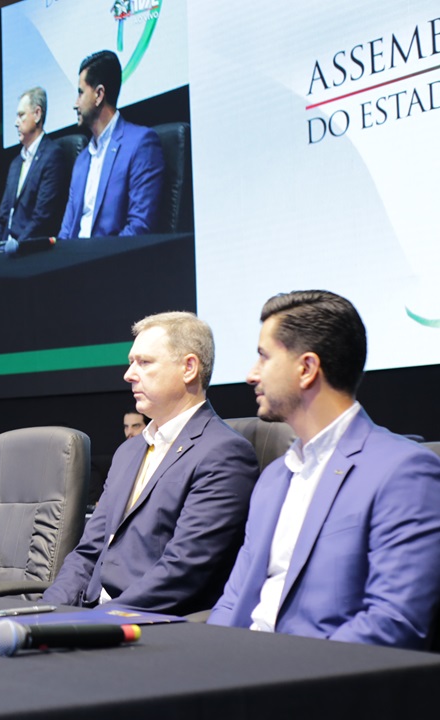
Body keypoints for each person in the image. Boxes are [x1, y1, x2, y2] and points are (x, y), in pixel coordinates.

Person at [208, 291, 440, 648]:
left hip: (317, 685)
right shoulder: (273, 478)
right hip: (238, 675)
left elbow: (395, 621)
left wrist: (277, 678)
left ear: (306, 369)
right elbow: (233, 600)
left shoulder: (404, 472)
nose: (251, 375)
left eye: (263, 357)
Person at [43, 312, 258, 615]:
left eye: (144, 362)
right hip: (91, 617)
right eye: (131, 362)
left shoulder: (224, 453)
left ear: (189, 368)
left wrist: (93, 622)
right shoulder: (129, 451)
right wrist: (45, 613)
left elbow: (182, 571)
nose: (129, 374)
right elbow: (88, 551)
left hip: (151, 629)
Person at [57, 50, 165, 239]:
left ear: (99, 95)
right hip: (73, 264)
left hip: (112, 265)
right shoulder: (82, 160)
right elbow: (66, 232)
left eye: (80, 93)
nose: (75, 104)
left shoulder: (141, 144)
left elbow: (139, 227)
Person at [0, 87, 70, 247]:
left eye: (21, 115)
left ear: (37, 114)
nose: (15, 123)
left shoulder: (53, 156)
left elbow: (42, 218)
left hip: (29, 250)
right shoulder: (15, 164)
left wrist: (16, 248)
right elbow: (2, 218)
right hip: (7, 250)